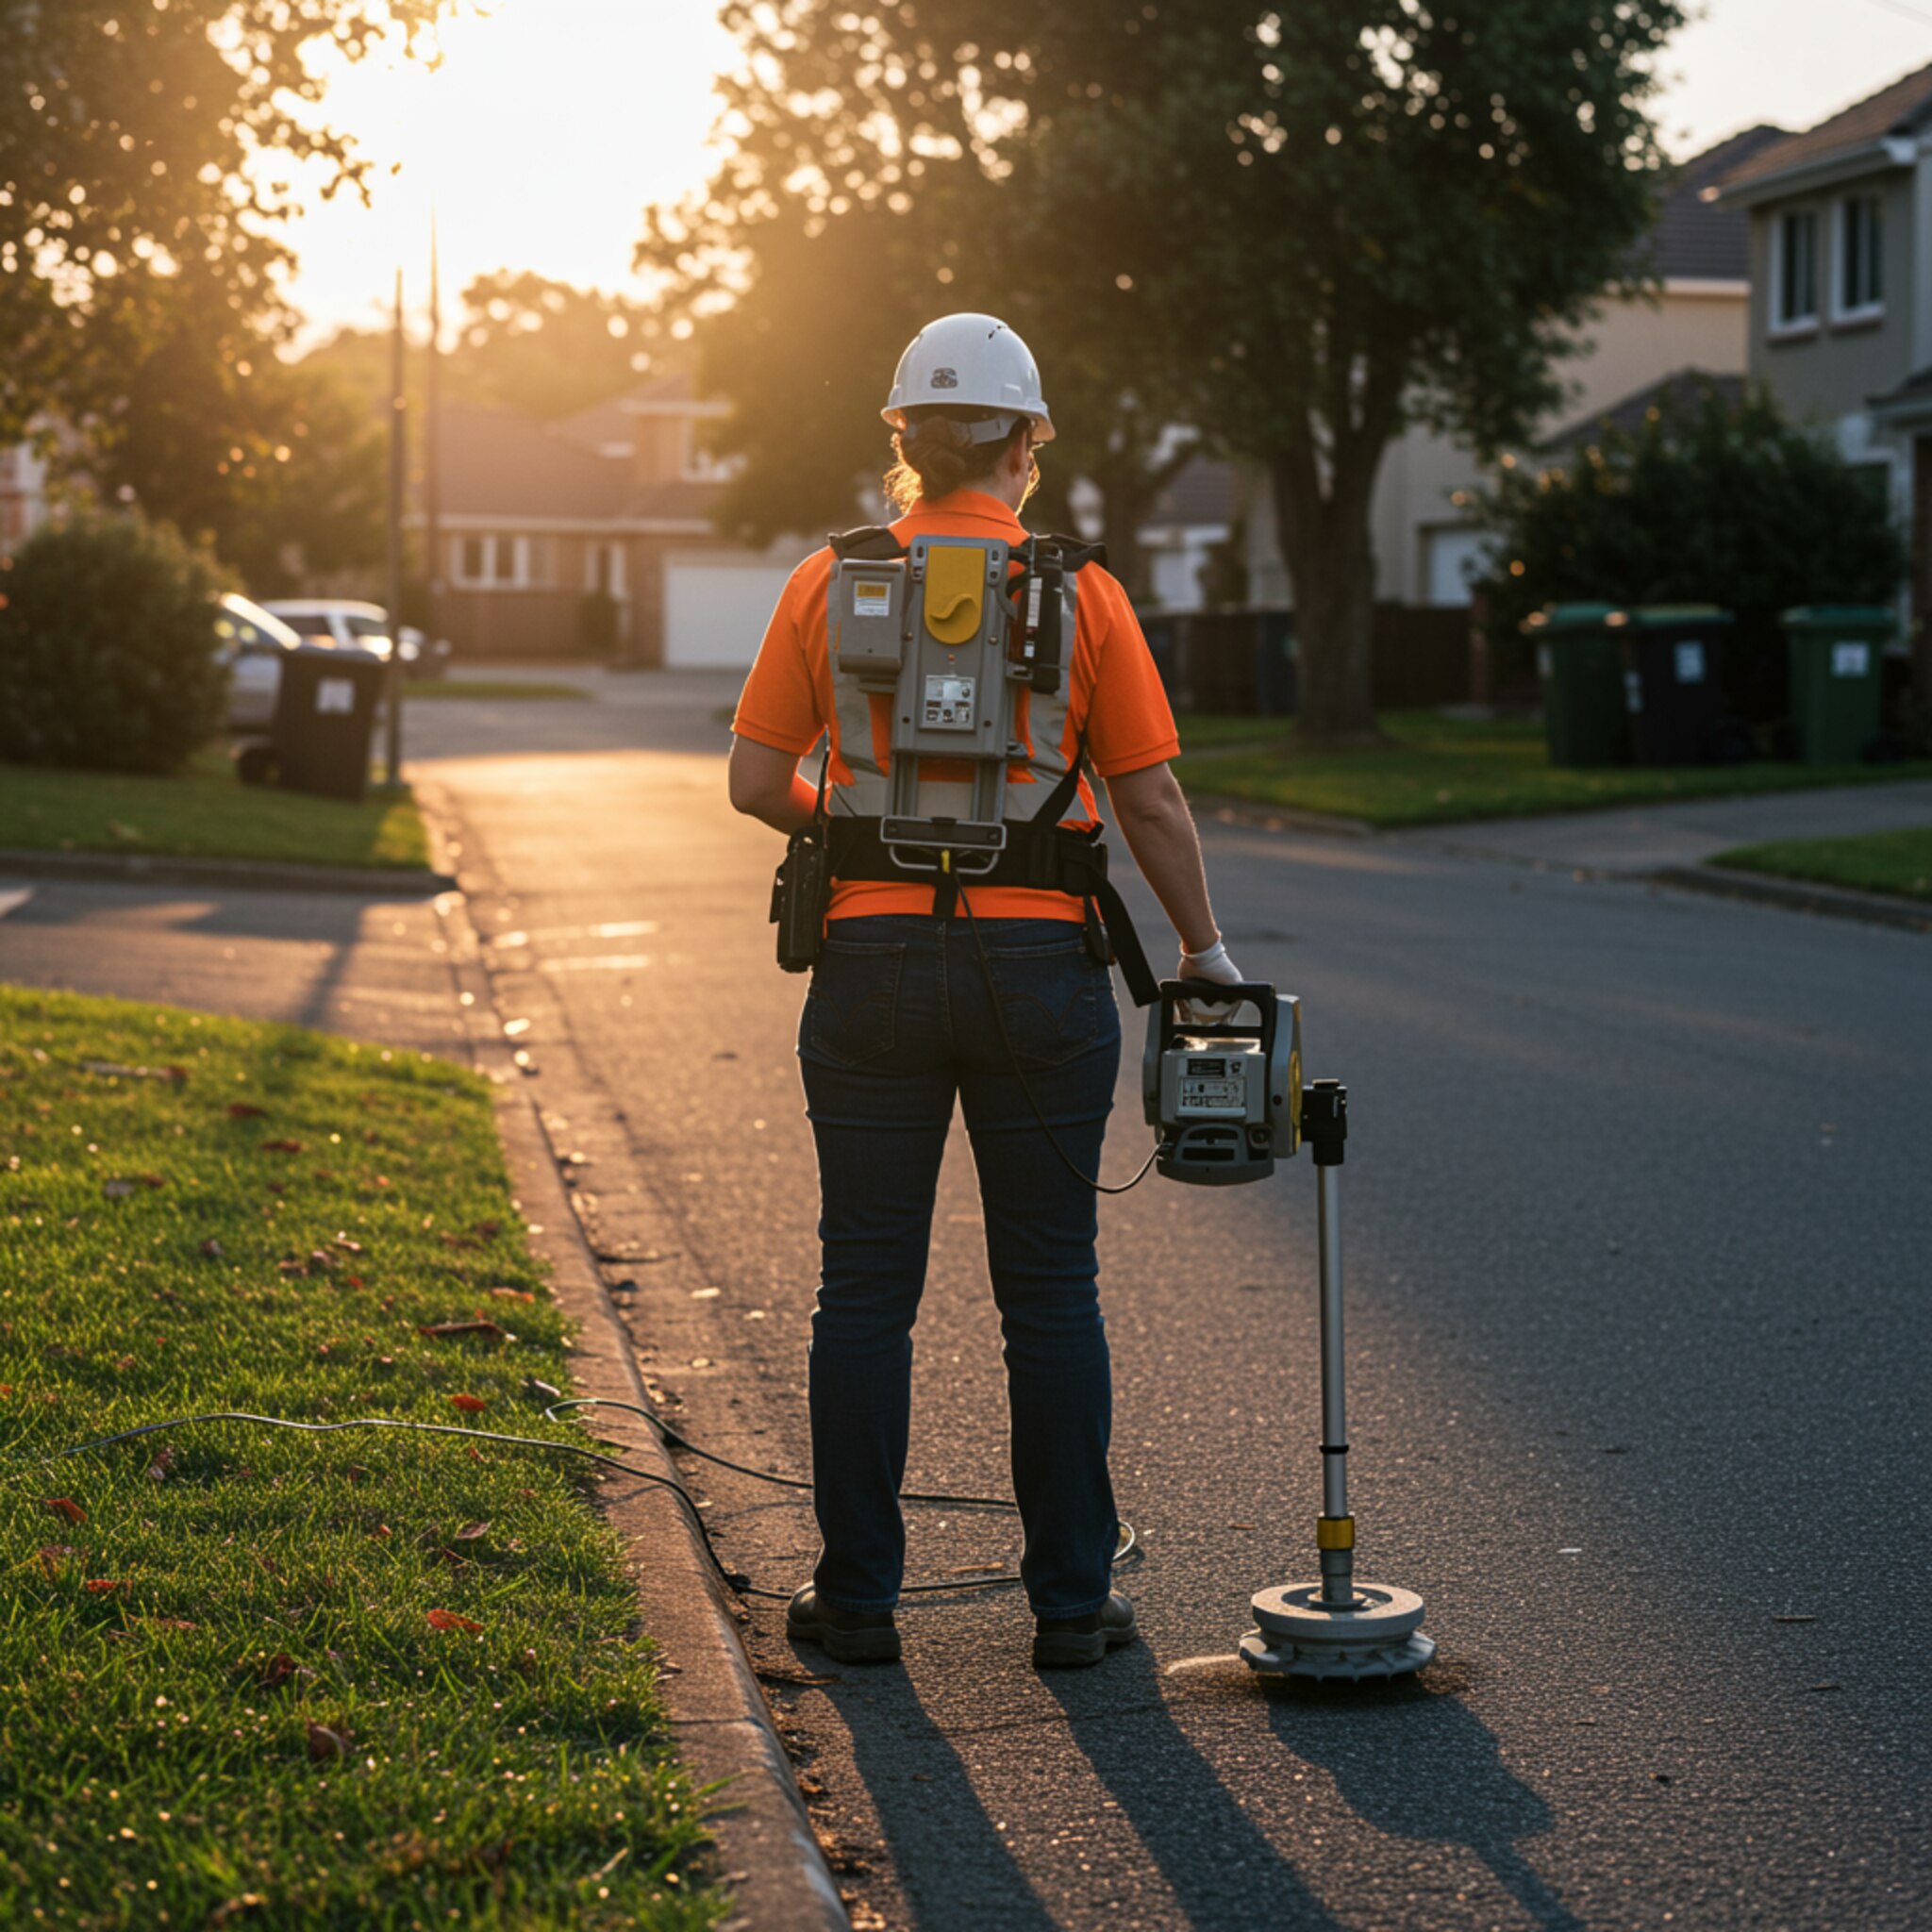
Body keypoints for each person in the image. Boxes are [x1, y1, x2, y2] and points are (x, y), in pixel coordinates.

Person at [727, 312, 1243, 1669]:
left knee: (865, 1293)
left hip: (871, 964)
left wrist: (844, 831)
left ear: (902, 441)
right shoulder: (1087, 594)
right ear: (1025, 445)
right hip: (1038, 975)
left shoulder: (824, 583)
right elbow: (1149, 800)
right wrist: (1203, 952)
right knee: (1052, 1292)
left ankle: (857, 1603)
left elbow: (749, 780)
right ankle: (1072, 1608)